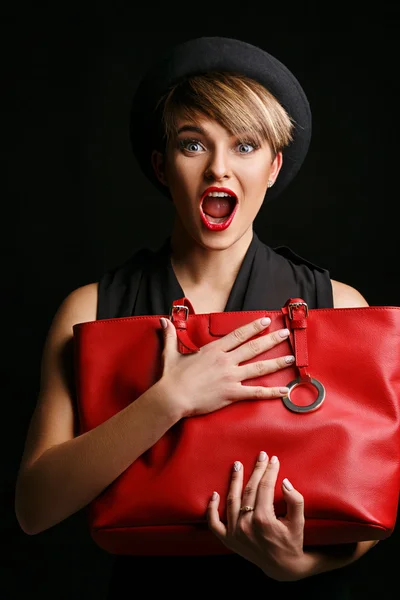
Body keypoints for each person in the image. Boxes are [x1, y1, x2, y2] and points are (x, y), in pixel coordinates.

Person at [15, 36, 381, 598]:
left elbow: (369, 501)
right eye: (193, 145)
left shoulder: (340, 306)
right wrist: (170, 399)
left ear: (274, 166)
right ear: (162, 167)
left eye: (245, 146)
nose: (219, 170)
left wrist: (300, 567)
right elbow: (34, 509)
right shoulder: (90, 309)